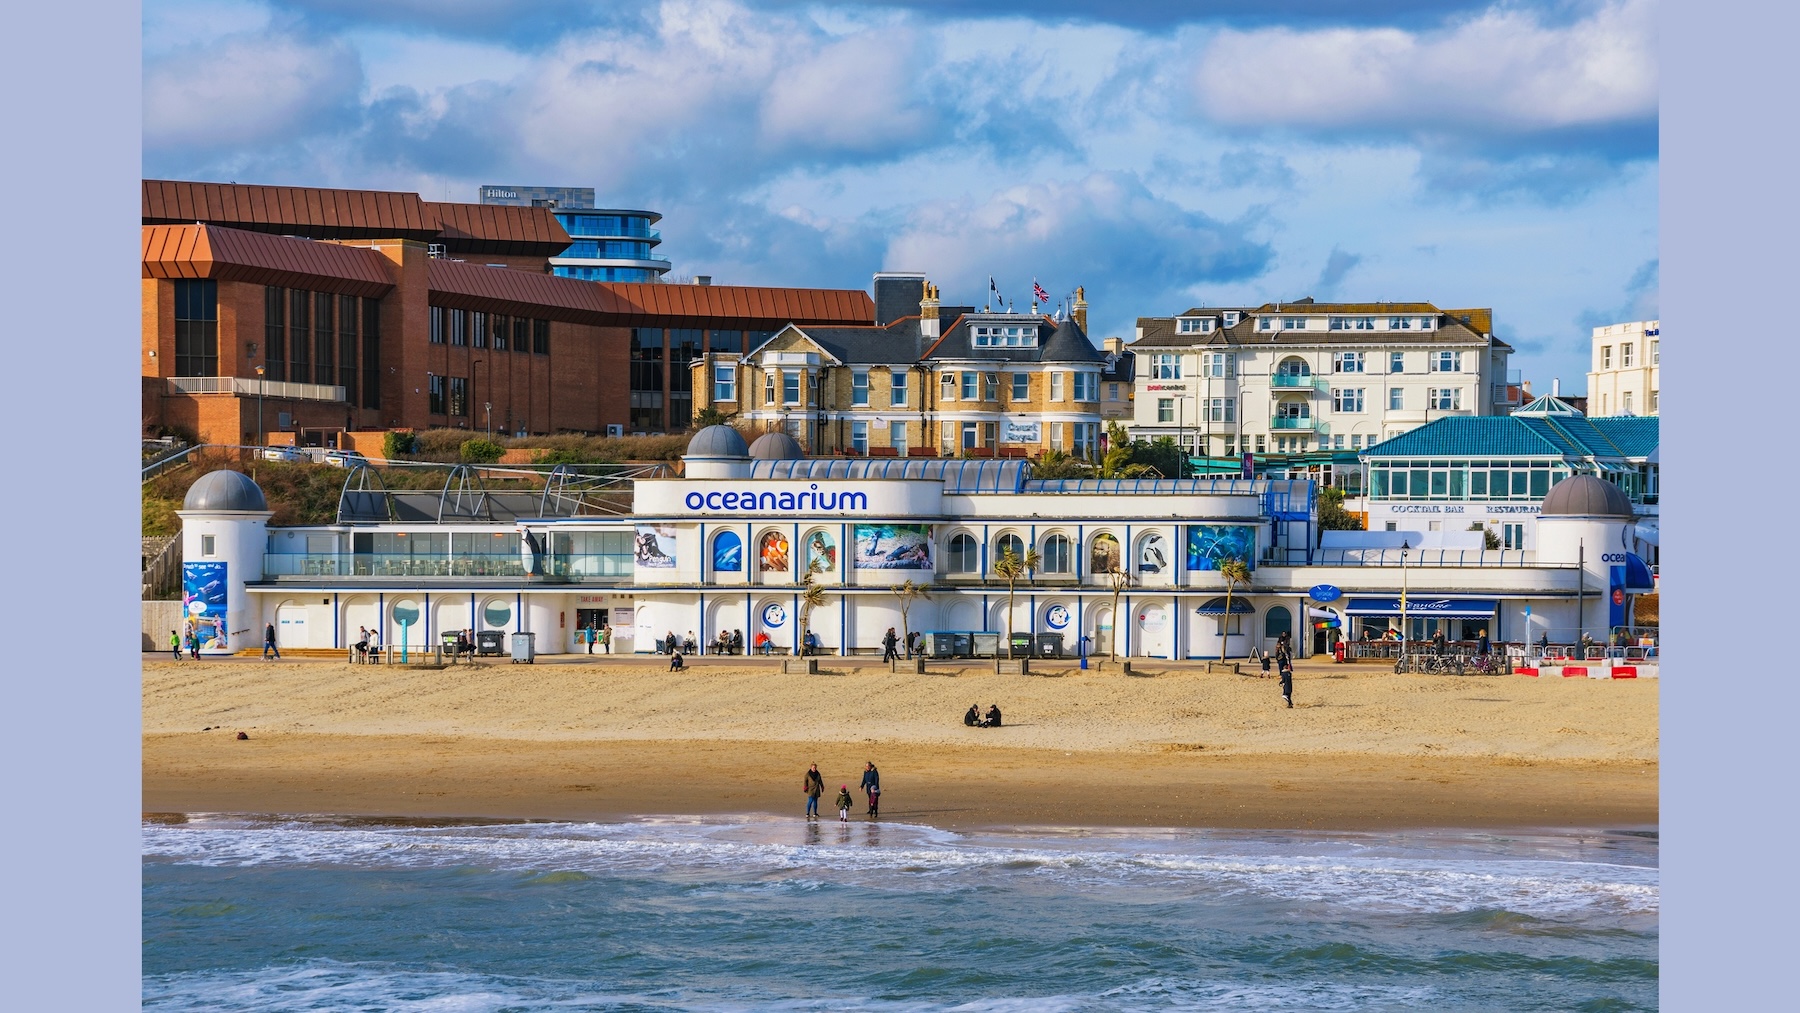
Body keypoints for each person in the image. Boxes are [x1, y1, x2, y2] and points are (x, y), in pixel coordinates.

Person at [1277, 644, 1294, 708]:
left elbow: (1283, 680)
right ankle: (1290, 704)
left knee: (1285, 695)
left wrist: (1281, 682)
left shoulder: (1286, 655)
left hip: (1286, 686)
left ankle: (1290, 703)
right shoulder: (1289, 673)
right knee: (1289, 695)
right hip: (1290, 686)